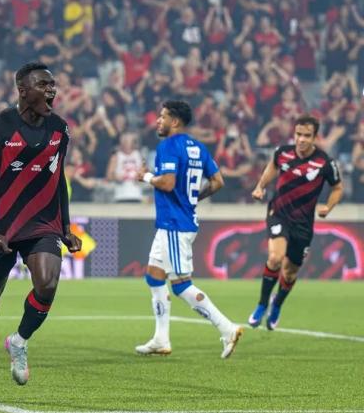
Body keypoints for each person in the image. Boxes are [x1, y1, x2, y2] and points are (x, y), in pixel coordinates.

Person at [0, 62, 82, 387]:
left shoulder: (60, 129)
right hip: (2, 227)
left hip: (43, 224)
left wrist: (66, 228)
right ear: (22, 90)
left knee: (47, 285)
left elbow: (58, 179)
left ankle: (19, 341)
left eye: (52, 85)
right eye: (43, 85)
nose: (51, 90)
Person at [135, 100, 243, 359]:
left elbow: (168, 183)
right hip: (174, 222)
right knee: (154, 276)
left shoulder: (168, 146)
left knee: (181, 285)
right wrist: (193, 199)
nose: (158, 121)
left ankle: (227, 328)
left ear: (174, 121)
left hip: (175, 223)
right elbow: (218, 181)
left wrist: (146, 177)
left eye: (163, 117)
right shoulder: (198, 148)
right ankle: (161, 339)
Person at [248, 116, 343, 330]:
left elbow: (337, 187)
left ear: (315, 137)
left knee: (290, 272)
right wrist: (260, 186)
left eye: (306, 136)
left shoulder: (325, 162)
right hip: (279, 213)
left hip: (303, 224)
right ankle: (262, 305)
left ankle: (277, 305)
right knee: (275, 257)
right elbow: (273, 167)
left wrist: (329, 207)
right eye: (298, 134)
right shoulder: (282, 152)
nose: (301, 139)